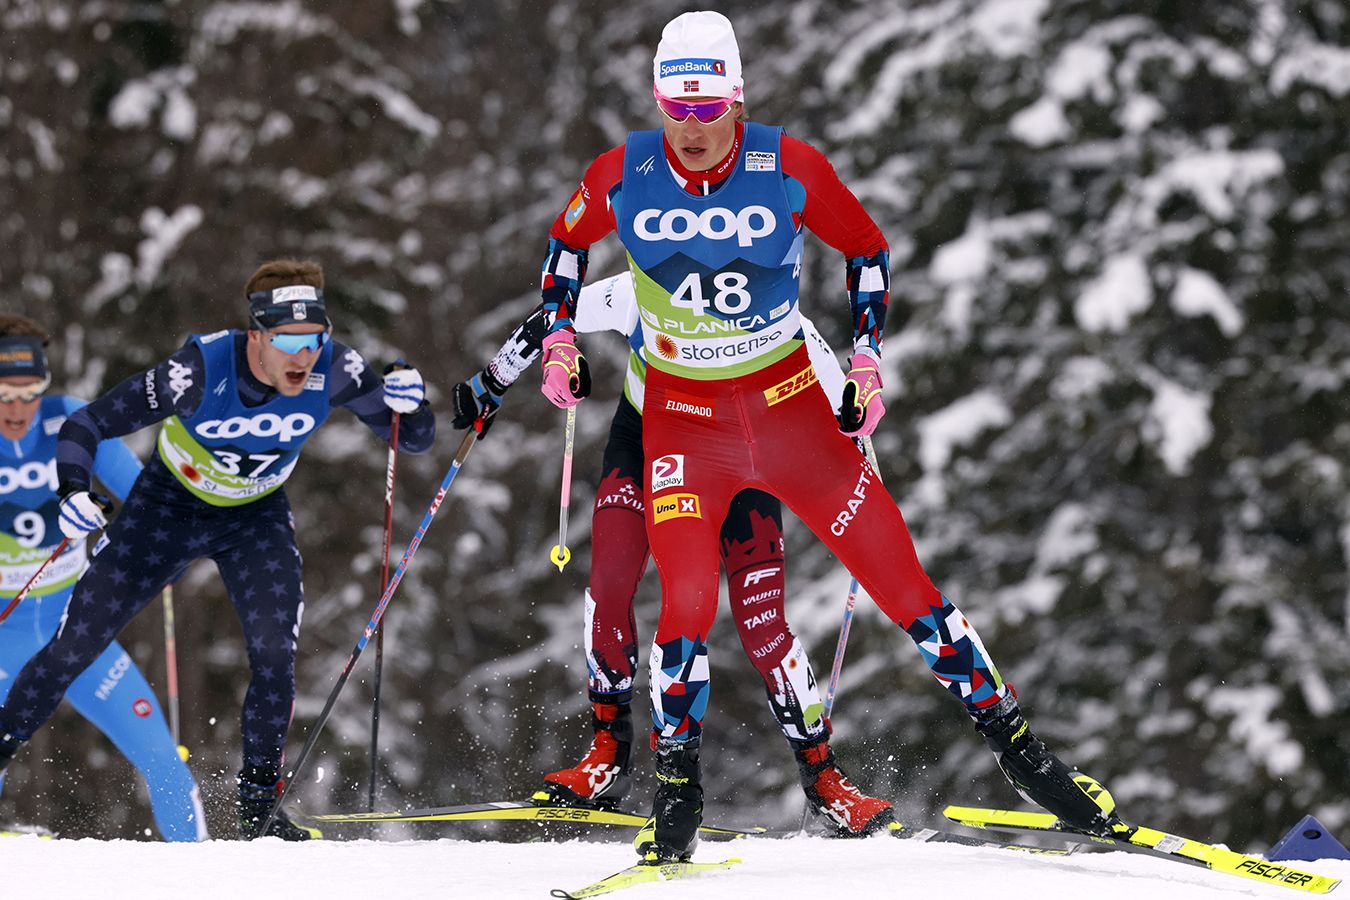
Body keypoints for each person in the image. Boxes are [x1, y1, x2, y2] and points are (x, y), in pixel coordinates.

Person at [535, 11, 1121, 864]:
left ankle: (1025, 755)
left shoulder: (788, 165)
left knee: (906, 585)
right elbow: (562, 248)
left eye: (709, 107)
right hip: (683, 424)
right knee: (688, 598)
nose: (692, 129)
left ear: (738, 97)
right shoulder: (623, 171)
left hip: (791, 414)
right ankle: (676, 785)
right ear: (658, 101)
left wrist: (869, 359)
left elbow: (868, 249)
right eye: (676, 107)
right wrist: (557, 339)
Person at [0, 259, 436, 840]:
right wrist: (75, 492)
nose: (302, 357)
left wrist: (414, 404)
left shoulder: (337, 370)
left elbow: (415, 439)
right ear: (256, 335)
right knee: (74, 645)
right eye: (287, 341)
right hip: (168, 510)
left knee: (276, 654)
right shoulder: (199, 371)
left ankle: (259, 811)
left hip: (254, 517)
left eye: (314, 339)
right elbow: (88, 424)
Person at [452, 272, 894, 836]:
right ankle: (608, 754)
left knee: (763, 625)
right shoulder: (646, 284)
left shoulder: (779, 314)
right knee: (610, 584)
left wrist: (858, 447)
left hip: (741, 459)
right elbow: (553, 315)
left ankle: (822, 778)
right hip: (647, 443)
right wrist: (491, 382)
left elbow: (850, 409)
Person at [0, 315, 205, 841]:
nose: (17, 409)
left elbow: (143, 497)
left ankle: (208, 876)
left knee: (163, 759)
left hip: (77, 630)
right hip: (5, 634)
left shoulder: (70, 421)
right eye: (3, 393)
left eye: (30, 392)